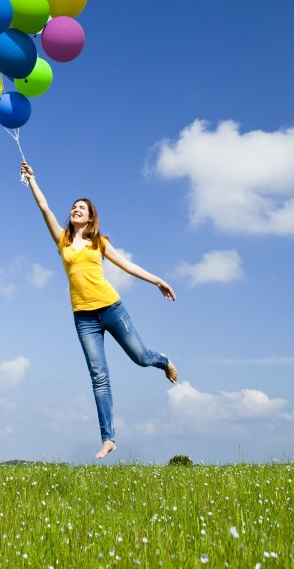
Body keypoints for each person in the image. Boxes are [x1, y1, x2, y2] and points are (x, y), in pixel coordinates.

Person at [21, 160, 178, 460]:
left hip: (111, 308)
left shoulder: (99, 242)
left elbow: (127, 265)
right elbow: (44, 208)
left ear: (91, 216)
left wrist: (156, 280)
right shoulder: (62, 240)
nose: (75, 209)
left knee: (141, 358)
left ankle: (165, 361)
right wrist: (32, 180)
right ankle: (108, 438)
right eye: (74, 206)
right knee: (99, 376)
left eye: (82, 207)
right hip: (83, 317)